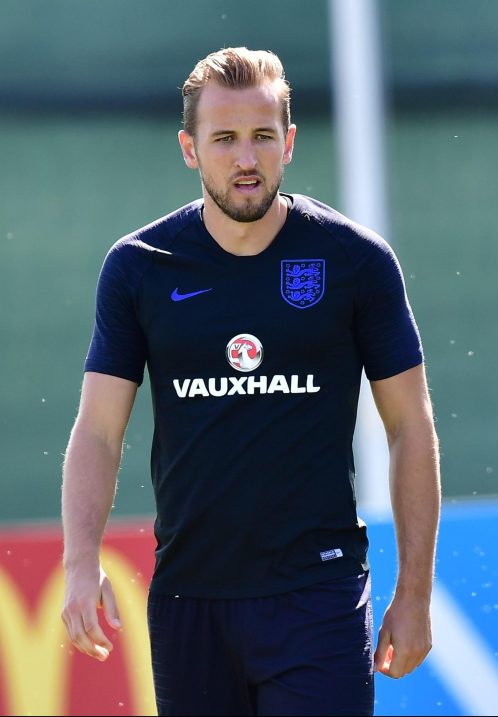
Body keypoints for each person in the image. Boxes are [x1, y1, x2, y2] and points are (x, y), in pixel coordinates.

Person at [60, 47, 441, 716]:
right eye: (225, 139)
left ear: (288, 142)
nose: (246, 158)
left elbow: (411, 426)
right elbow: (97, 429)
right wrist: (79, 560)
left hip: (318, 593)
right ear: (189, 148)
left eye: (263, 136)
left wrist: (414, 592)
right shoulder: (138, 268)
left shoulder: (355, 260)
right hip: (190, 599)